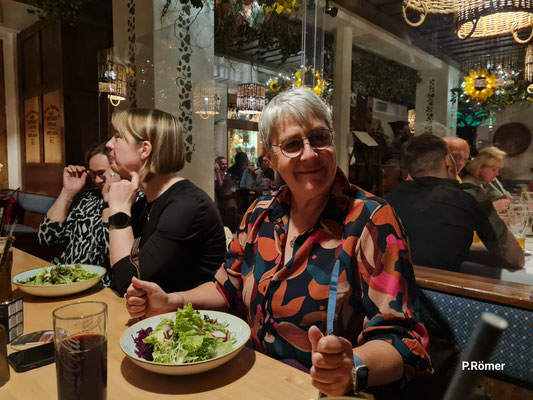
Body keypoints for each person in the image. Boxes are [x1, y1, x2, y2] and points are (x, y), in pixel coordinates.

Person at [124, 89, 432, 397]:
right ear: (271, 159)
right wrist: (171, 301)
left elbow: (404, 342)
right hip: (251, 380)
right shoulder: (260, 213)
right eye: (292, 145)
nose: (310, 154)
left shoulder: (372, 219)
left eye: (319, 138)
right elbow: (226, 287)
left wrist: (350, 369)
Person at [106, 108, 227, 296]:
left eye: (117, 137)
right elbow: (118, 275)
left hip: (194, 313)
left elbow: (128, 283)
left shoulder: (187, 206)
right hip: (153, 312)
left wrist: (119, 210)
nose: (109, 144)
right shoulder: (142, 203)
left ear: (144, 149)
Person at [385, 134, 524, 272]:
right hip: (442, 285)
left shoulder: (391, 198)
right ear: (448, 161)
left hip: (396, 283)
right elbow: (515, 259)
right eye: (455, 157)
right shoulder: (470, 195)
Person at [38, 142, 134, 286]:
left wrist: (109, 201)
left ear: (117, 169)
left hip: (102, 286)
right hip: (66, 279)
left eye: (101, 173)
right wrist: (67, 192)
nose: (97, 180)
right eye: (92, 174)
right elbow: (47, 238)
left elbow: (110, 251)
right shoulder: (87, 197)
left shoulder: (132, 199)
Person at [462, 146, 512, 212]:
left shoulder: (483, 180)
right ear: (480, 167)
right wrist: (494, 206)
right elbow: (468, 214)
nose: (497, 174)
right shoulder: (467, 186)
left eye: (498, 170)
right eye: (494, 170)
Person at [214, 156, 239, 232]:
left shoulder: (227, 175)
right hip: (224, 208)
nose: (225, 166)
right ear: (217, 165)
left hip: (231, 207)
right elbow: (219, 187)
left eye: (226, 164)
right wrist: (217, 171)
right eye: (222, 164)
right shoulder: (216, 176)